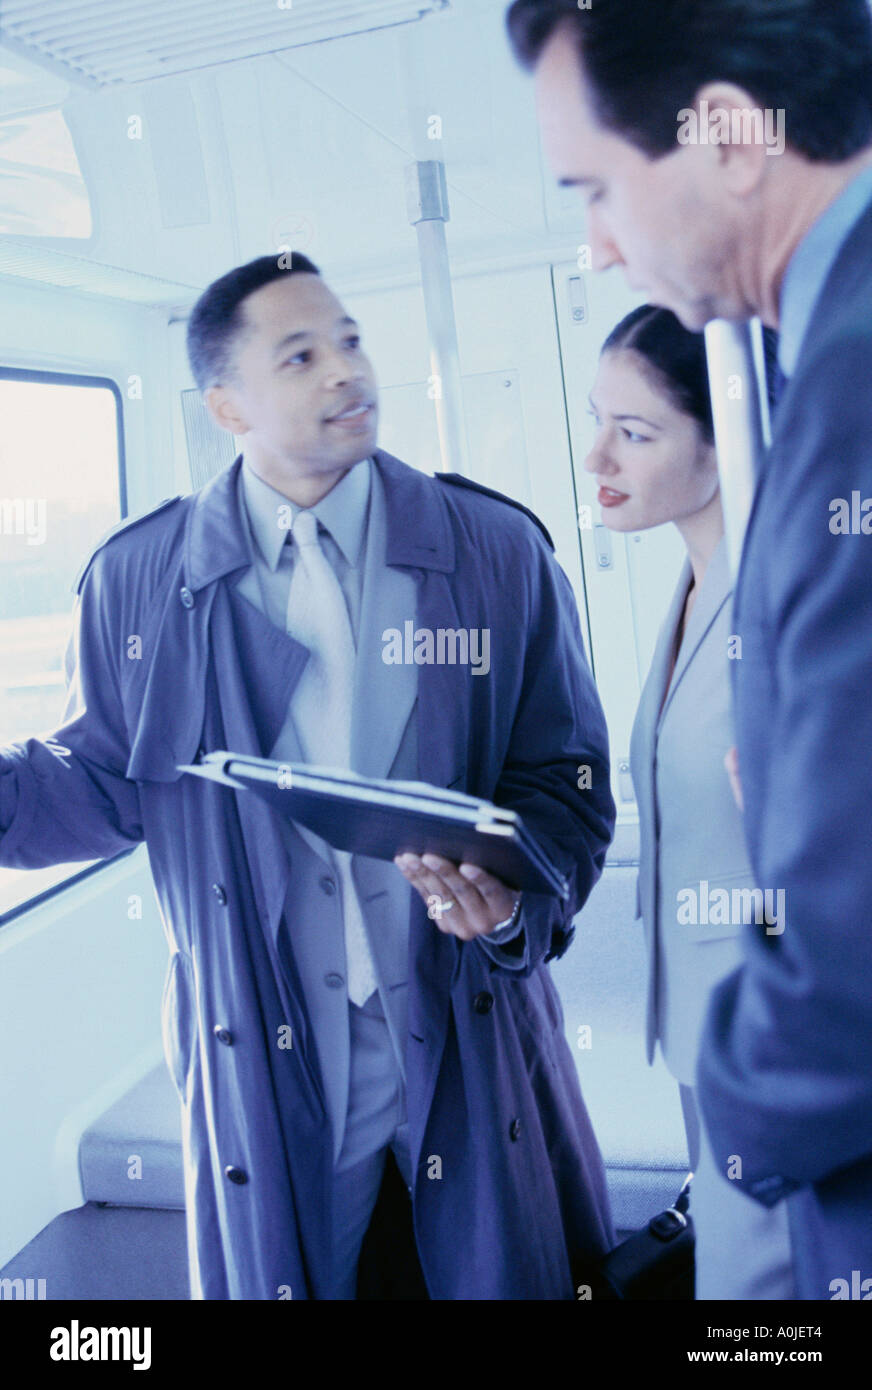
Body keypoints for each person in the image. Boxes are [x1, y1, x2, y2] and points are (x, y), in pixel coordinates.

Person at [0, 252, 616, 1300]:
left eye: (348, 340)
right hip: (265, 1039)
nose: (344, 371)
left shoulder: (497, 550)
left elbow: (566, 777)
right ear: (226, 404)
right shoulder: (139, 579)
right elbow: (97, 780)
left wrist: (512, 896)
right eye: (299, 355)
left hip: (459, 1020)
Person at [507, 0, 872, 1299]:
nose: (600, 248)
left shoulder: (851, 378)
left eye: (597, 190)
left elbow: (852, 914)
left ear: (727, 136)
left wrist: (753, 1119)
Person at [587, 304, 791, 1297]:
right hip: (692, 1026)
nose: (598, 455)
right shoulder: (687, 585)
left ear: (722, 444)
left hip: (774, 1031)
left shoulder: (781, 597)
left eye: (634, 431)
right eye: (599, 422)